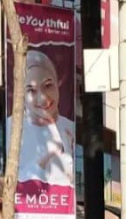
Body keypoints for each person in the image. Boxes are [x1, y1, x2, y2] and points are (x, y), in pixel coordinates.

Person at [5, 50, 76, 186]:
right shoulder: (11, 128)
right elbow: (15, 184)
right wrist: (46, 157)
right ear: (22, 95)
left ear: (57, 85)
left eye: (48, 86)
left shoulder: (70, 128)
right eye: (31, 90)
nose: (43, 98)